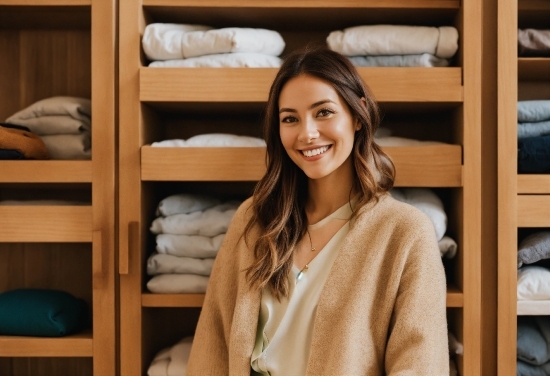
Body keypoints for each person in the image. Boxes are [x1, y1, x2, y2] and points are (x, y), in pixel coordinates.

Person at [187, 46, 449, 375]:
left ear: (357, 114)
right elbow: (212, 343)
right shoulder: (254, 220)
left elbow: (420, 364)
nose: (307, 133)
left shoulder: (405, 232)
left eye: (323, 112)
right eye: (290, 119)